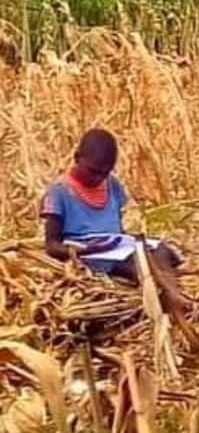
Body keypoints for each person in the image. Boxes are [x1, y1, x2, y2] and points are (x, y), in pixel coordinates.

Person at [39, 128, 187, 312]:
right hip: (88, 253)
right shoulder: (59, 192)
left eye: (105, 173)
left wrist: (128, 240)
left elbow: (116, 227)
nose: (99, 178)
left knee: (161, 250)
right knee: (136, 262)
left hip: (114, 246)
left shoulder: (112, 184)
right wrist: (83, 250)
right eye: (93, 171)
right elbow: (51, 245)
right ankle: (161, 295)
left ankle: (172, 292)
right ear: (77, 158)